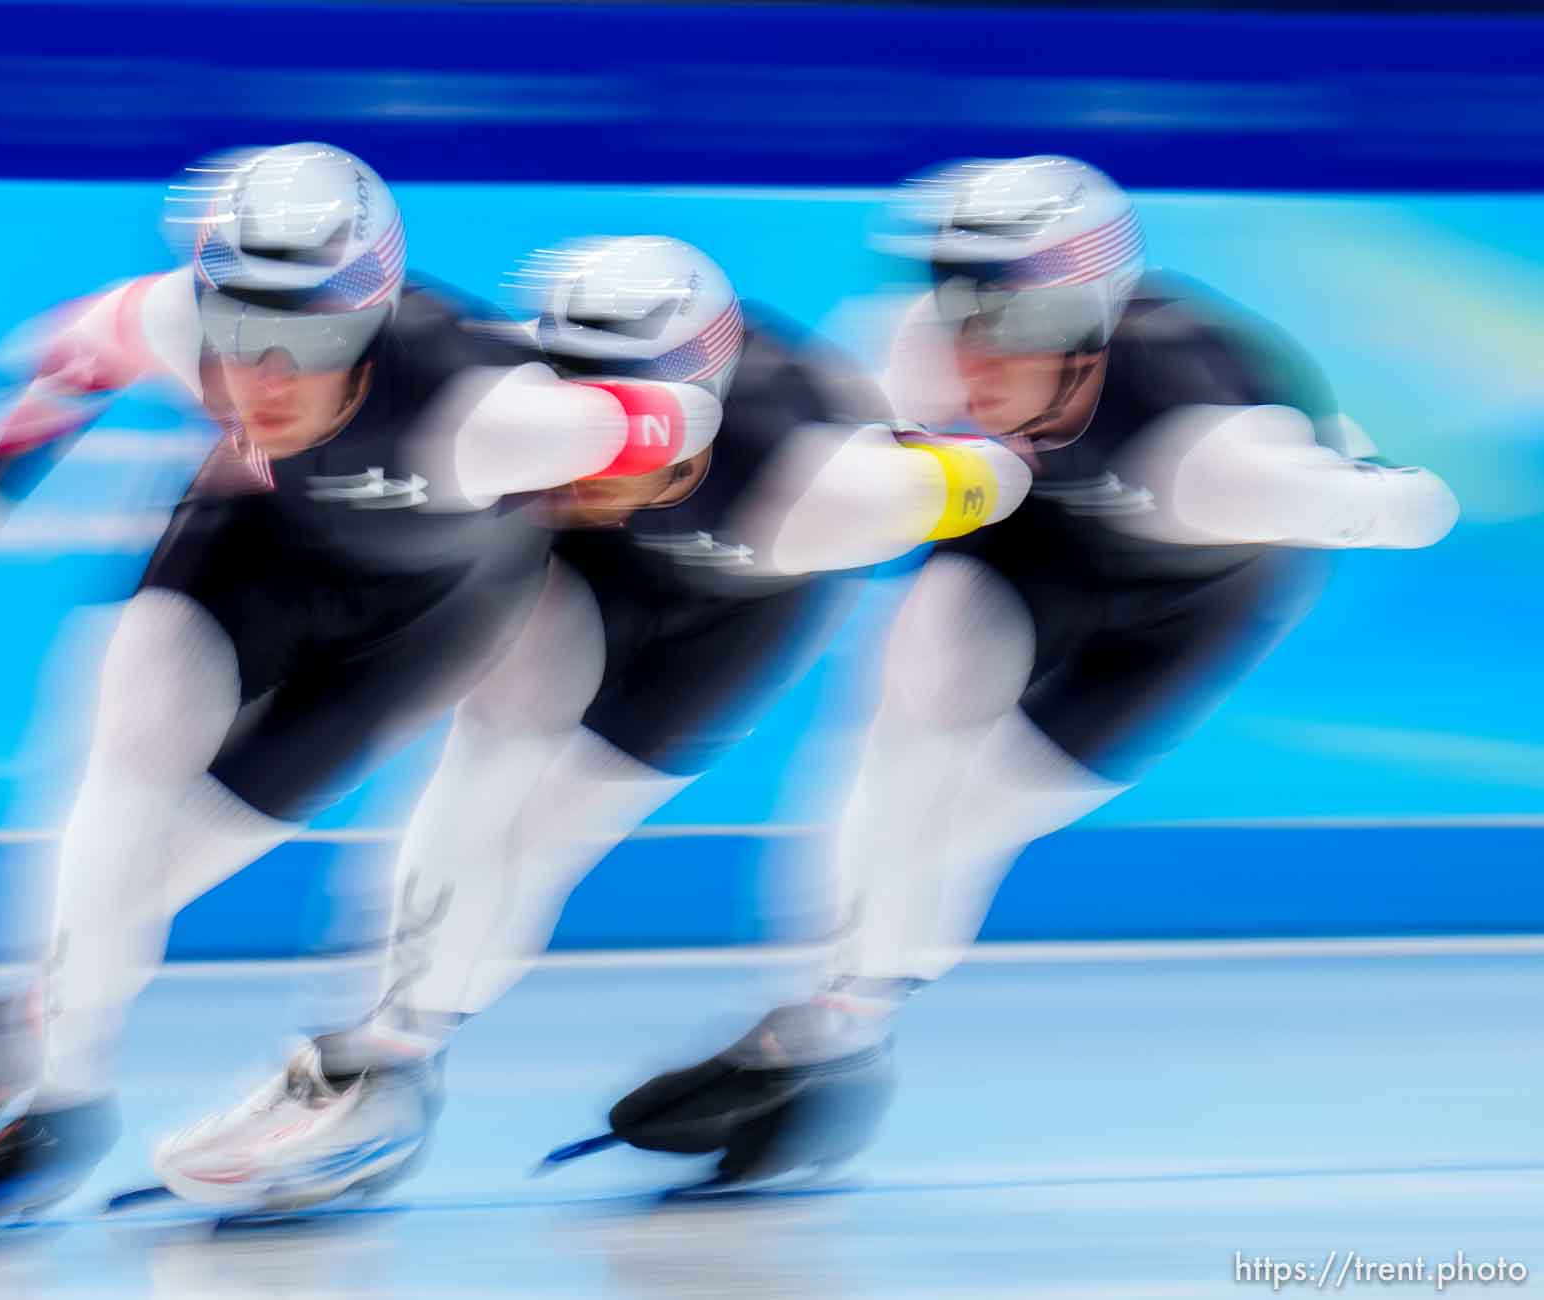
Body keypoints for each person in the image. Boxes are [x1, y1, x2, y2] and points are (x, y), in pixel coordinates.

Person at [0, 145, 729, 1242]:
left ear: (375, 317)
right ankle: (64, 1091)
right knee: (120, 754)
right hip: (253, 555)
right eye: (242, 329)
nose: (272, 374)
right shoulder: (171, 325)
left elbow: (676, 416)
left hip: (417, 630)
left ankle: (34, 1026)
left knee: (154, 871)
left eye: (316, 333)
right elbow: (54, 359)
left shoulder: (490, 410)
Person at [590, 156, 1460, 1191]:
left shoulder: (1207, 433)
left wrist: (1352, 489)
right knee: (903, 710)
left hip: (1184, 605)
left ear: (1092, 319)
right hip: (1032, 546)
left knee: (982, 809)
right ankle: (826, 1019)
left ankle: (843, 1028)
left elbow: (1401, 507)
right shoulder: (913, 354)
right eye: (953, 311)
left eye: (1010, 322)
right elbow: (793, 451)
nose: (974, 355)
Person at [141, 236, 1033, 1210]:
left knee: (559, 822)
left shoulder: (833, 480)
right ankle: (379, 1062)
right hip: (599, 575)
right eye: (576, 397)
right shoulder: (524, 410)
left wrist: (1002, 464)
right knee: (483, 772)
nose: (594, 436)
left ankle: (825, 1037)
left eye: (625, 404)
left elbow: (997, 478)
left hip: (736, 609)